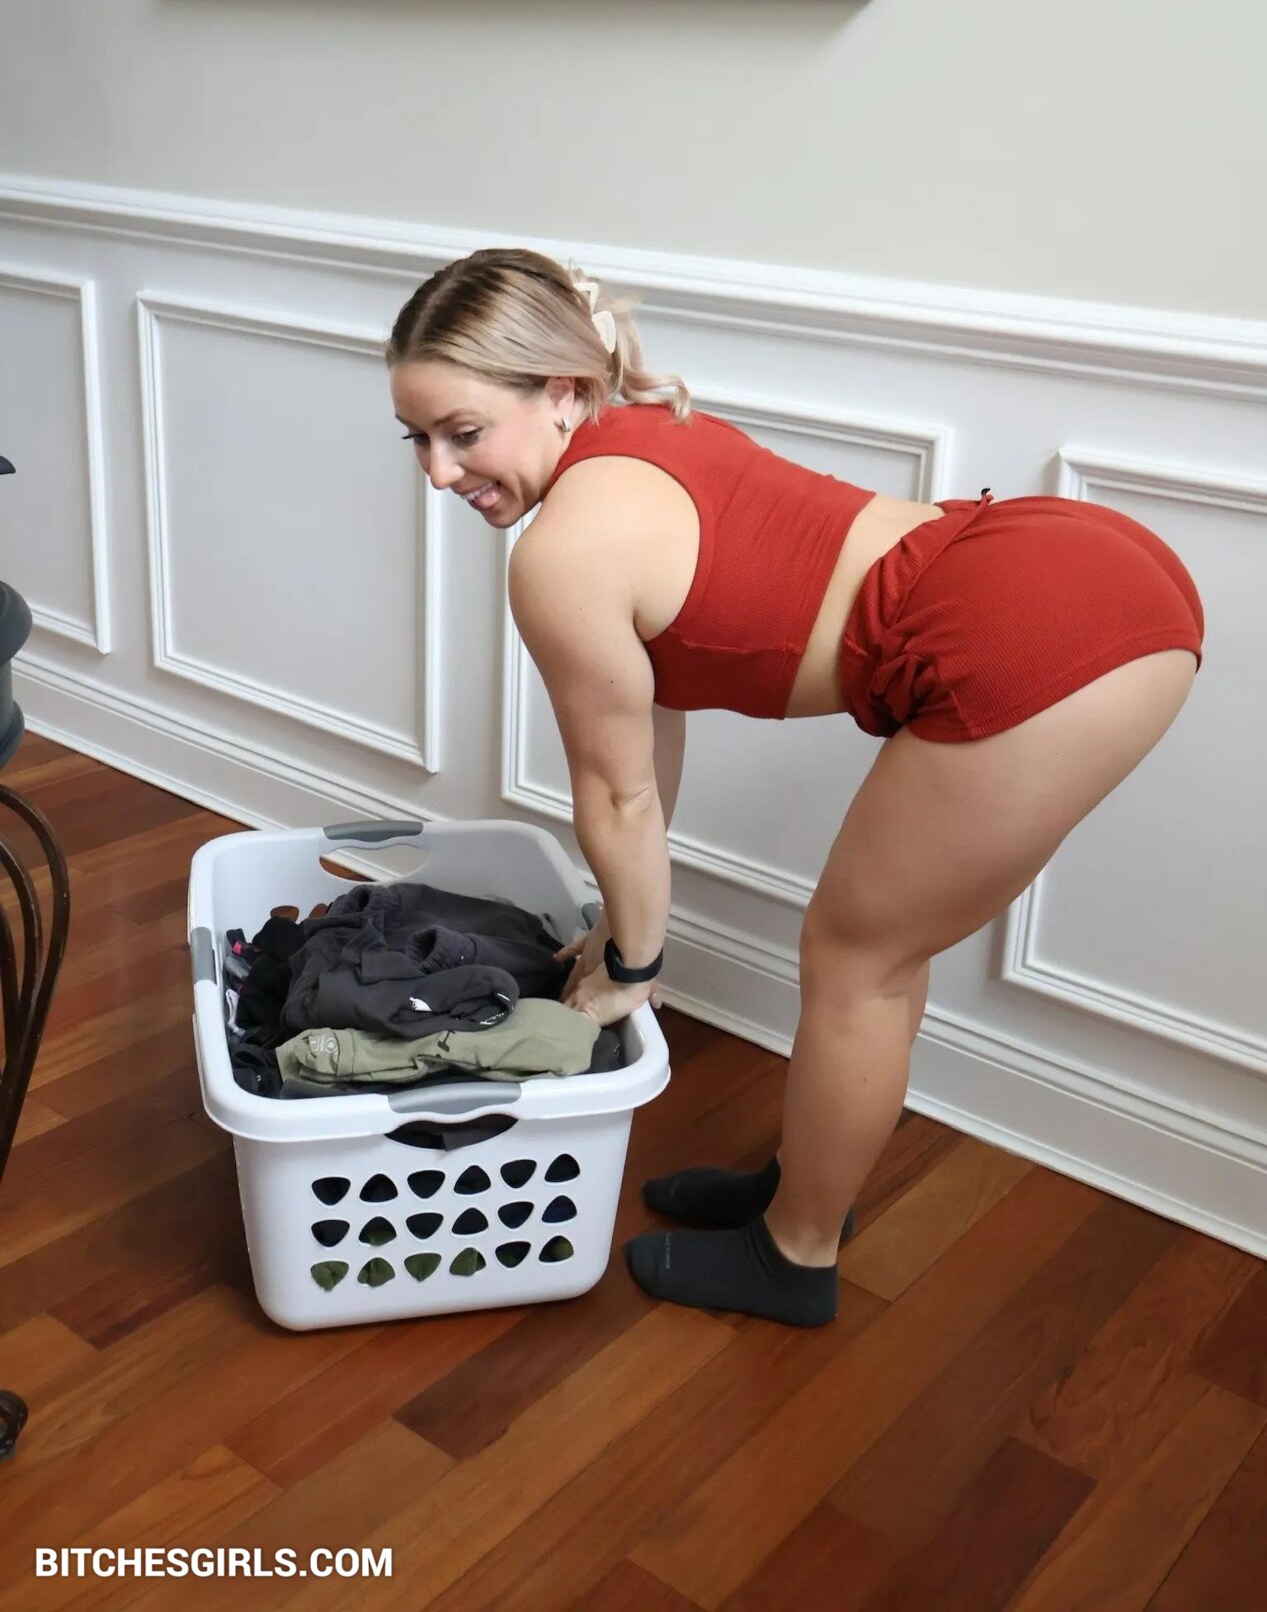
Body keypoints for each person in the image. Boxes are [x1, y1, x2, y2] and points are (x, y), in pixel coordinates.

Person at [386, 247, 1205, 1329]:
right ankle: (804, 1186)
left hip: (1035, 628)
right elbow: (644, 755)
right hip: (1063, 555)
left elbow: (618, 798)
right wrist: (622, 933)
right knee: (880, 949)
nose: (438, 472)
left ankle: (797, 1253)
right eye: (418, 438)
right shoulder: (641, 436)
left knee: (858, 960)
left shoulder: (564, 552)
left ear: (563, 391)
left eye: (463, 432)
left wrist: (631, 966)